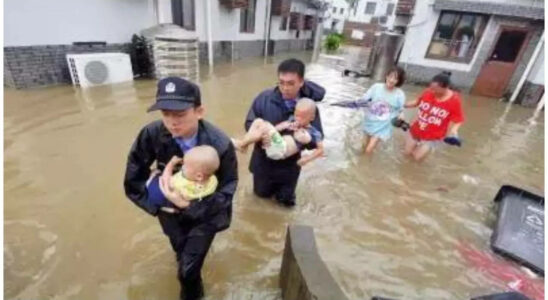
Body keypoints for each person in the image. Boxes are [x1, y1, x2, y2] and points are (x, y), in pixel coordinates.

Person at [124, 77, 238, 300]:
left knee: (187, 274)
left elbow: (228, 188)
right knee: (179, 251)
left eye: (180, 115)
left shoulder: (220, 143)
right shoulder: (151, 134)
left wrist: (190, 206)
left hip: (206, 214)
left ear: (199, 111)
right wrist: (157, 206)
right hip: (169, 213)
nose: (172, 122)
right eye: (166, 114)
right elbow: (133, 178)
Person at [244, 58, 325, 207]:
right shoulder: (263, 99)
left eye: (291, 83)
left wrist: (299, 142)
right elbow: (249, 123)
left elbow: (317, 137)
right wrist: (262, 138)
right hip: (263, 164)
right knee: (260, 201)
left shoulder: (309, 107)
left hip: (289, 167)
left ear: (301, 82)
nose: (285, 88)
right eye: (281, 82)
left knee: (285, 205)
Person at [234, 98, 324, 165]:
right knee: (258, 121)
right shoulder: (291, 121)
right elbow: (276, 128)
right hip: (275, 144)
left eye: (302, 117)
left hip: (282, 150)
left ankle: (241, 145)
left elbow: (321, 150)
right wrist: (279, 129)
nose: (298, 119)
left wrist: (307, 159)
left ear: (312, 117)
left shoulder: (314, 132)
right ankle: (244, 144)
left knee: (264, 126)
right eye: (296, 115)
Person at [402, 72, 465, 162]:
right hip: (416, 130)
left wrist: (453, 131)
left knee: (416, 158)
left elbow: (458, 120)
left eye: (436, 90)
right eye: (431, 88)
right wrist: (401, 105)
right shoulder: (428, 92)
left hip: (432, 137)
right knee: (406, 154)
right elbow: (416, 102)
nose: (432, 91)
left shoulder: (454, 100)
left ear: (446, 88)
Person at [360, 67, 406, 154]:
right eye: (390, 76)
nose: (392, 80)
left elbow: (401, 108)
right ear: (386, 76)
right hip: (370, 120)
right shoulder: (376, 87)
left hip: (383, 125)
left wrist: (401, 114)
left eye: (395, 79)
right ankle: (364, 162)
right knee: (364, 145)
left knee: (369, 149)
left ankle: (365, 165)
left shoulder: (399, 94)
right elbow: (364, 99)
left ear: (399, 81)